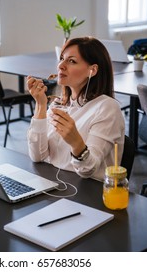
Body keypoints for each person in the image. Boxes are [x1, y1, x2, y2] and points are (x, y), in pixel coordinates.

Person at [26, 37, 125, 181]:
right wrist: (41, 105)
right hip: (56, 183)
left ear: (92, 70)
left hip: (88, 193)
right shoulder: (59, 103)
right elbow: (38, 156)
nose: (61, 66)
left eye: (71, 61)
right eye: (62, 59)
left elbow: (88, 170)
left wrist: (76, 143)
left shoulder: (107, 108)